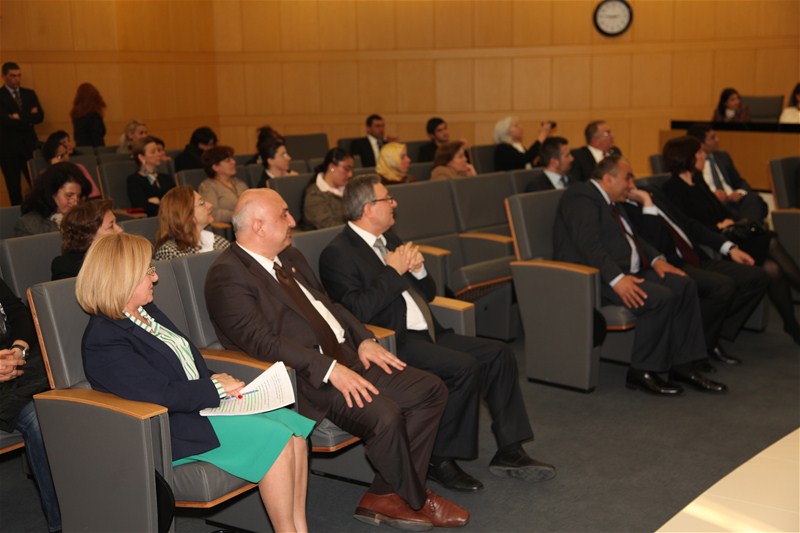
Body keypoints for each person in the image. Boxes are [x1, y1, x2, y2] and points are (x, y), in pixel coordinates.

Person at [205, 188, 468, 530]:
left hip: (346, 357)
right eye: (283, 214)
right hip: (307, 378)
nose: (292, 220)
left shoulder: (290, 256)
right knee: (386, 414)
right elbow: (261, 342)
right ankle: (416, 499)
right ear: (258, 226)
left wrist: (365, 339)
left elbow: (331, 307)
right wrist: (329, 369)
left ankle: (386, 494)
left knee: (430, 389)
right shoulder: (228, 275)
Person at [320, 174, 554, 492]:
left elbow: (428, 293)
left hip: (430, 332)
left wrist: (418, 270)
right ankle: (439, 458)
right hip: (395, 340)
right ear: (368, 208)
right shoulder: (338, 253)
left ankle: (510, 450)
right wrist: (393, 271)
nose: (394, 203)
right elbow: (357, 311)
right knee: (464, 367)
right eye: (388, 198)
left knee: (499, 354)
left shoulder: (390, 238)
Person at [78, 233, 314, 532]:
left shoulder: (147, 311)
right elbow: (160, 394)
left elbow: (184, 361)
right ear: (121, 278)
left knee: (296, 432)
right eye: (148, 271)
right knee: (277, 439)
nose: (155, 277)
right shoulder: (104, 338)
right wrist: (215, 388)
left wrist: (217, 380)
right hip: (171, 427)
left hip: (198, 407)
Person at [554, 155, 727, 395]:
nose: (632, 185)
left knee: (684, 284)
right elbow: (588, 245)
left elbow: (634, 238)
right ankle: (642, 371)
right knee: (660, 298)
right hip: (595, 278)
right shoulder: (580, 196)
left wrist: (657, 260)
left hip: (629, 270)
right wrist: (617, 280)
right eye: (628, 178)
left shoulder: (611, 201)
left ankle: (684, 365)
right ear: (608, 179)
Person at [661, 136, 800, 345]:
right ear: (687, 157)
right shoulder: (671, 189)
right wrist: (717, 227)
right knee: (770, 243)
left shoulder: (698, 181)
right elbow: (687, 227)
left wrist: (731, 221)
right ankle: (792, 325)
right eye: (699, 153)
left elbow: (720, 210)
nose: (704, 156)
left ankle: (791, 325)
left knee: (773, 269)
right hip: (712, 244)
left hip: (728, 235)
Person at [625, 183, 769, 365]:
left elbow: (690, 225)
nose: (632, 185)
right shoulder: (624, 208)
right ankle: (705, 342)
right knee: (723, 286)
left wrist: (729, 248)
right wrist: (647, 205)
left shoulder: (653, 193)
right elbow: (651, 243)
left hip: (696, 257)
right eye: (627, 179)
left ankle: (709, 335)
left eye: (632, 178)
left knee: (757, 277)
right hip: (671, 264)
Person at [0, 277, 61, 533]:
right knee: (39, 418)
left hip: (15, 367)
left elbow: (18, 313)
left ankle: (87, 506)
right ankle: (60, 522)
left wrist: (18, 350)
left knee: (60, 401)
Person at [686, 123, 768, 223]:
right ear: (701, 144)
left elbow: (739, 181)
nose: (717, 140)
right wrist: (713, 197)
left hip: (735, 201)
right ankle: (746, 228)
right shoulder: (692, 163)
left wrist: (739, 193)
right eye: (712, 138)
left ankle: (746, 228)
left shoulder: (723, 157)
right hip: (715, 204)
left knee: (754, 200)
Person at [0, 61, 44, 205]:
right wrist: (28, 118)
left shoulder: (29, 94)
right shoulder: (1, 96)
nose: (17, 79)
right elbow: (5, 121)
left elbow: (39, 117)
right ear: (4, 77)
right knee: (14, 188)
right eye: (13, 76)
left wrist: (17, 117)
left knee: (36, 186)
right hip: (8, 150)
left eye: (19, 75)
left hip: (29, 147)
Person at [153, 185, 230, 260]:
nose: (210, 205)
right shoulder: (169, 252)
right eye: (201, 203)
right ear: (184, 213)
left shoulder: (220, 241)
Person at [51, 199, 122, 280]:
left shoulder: (125, 254)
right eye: (111, 226)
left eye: (116, 223)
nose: (120, 230)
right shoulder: (67, 267)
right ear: (88, 236)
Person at [14, 162, 91, 237]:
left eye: (78, 196)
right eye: (69, 195)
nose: (75, 203)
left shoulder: (84, 218)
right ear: (52, 193)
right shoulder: (28, 225)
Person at [302, 148, 354, 229]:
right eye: (346, 169)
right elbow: (330, 227)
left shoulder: (351, 188)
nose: (350, 174)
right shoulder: (314, 196)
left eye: (351, 169)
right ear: (332, 167)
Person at [41, 130, 101, 198]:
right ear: (51, 160)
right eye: (60, 156)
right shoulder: (45, 174)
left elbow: (94, 193)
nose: (66, 158)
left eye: (66, 153)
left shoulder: (79, 168)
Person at [197, 145, 249, 224]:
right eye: (228, 160)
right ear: (215, 167)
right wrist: (239, 216)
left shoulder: (240, 183)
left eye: (232, 159)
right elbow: (213, 212)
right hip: (228, 226)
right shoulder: (208, 186)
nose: (234, 162)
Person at [127, 136, 175, 217]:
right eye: (153, 152)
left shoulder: (166, 178)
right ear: (141, 157)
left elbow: (177, 201)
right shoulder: (134, 180)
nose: (158, 154)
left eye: (158, 150)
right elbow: (143, 207)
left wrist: (158, 202)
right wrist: (166, 204)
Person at [70, 82, 106, 147]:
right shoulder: (94, 116)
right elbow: (97, 139)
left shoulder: (76, 115)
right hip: (94, 150)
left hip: (81, 149)